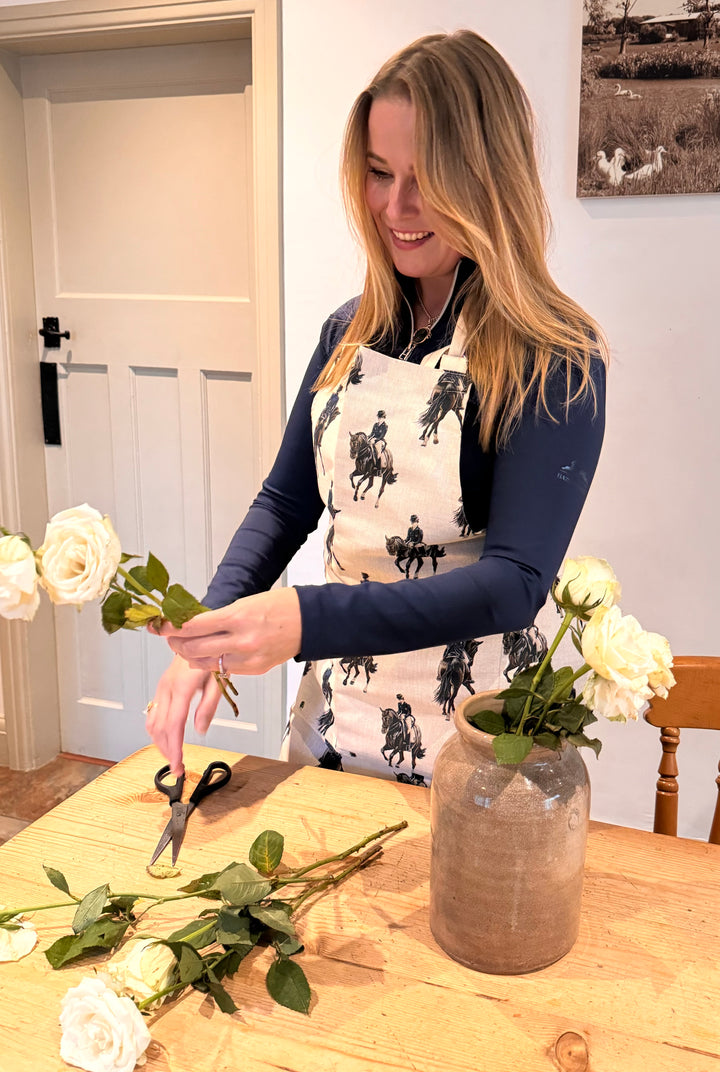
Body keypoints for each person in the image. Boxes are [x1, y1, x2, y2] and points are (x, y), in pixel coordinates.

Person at [145, 30, 607, 783]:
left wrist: (301, 618)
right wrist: (211, 628)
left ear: (488, 177)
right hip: (334, 722)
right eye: (379, 173)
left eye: (426, 179)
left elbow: (515, 581)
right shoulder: (347, 332)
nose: (397, 207)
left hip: (480, 748)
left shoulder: (552, 354)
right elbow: (285, 499)